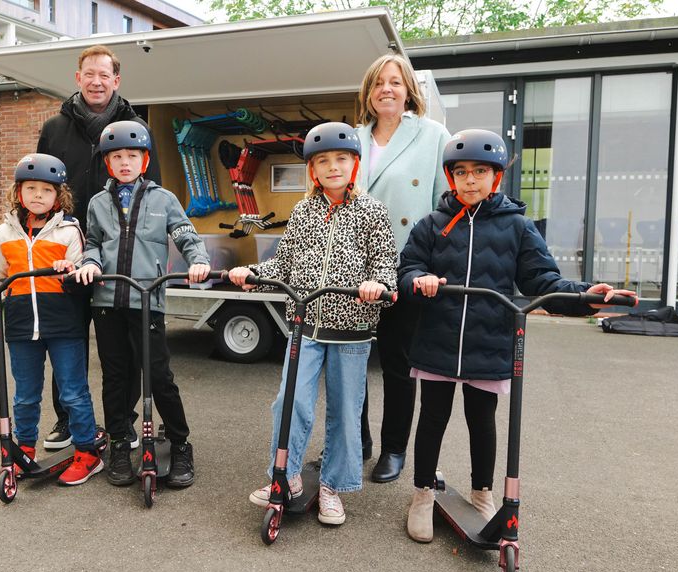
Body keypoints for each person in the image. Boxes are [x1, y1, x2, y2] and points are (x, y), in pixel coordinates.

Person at [398, 129, 636, 542]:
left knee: (481, 420)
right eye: (460, 172)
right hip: (437, 338)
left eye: (479, 171)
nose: (470, 180)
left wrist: (587, 297)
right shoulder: (432, 224)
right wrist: (419, 279)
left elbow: (543, 280)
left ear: (497, 176)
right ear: (450, 176)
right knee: (432, 418)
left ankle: (482, 493)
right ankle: (421, 494)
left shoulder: (518, 227)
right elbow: (408, 268)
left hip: (489, 340)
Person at [228, 122, 399, 525]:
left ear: (354, 165)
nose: (332, 167)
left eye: (340, 159)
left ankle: (332, 486)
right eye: (323, 161)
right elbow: (284, 263)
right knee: (290, 402)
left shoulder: (372, 211)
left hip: (351, 329)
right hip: (304, 325)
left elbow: (386, 265)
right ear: (313, 170)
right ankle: (285, 476)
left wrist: (379, 285)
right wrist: (251, 271)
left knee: (344, 410)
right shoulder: (304, 211)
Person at [0, 154, 104, 486]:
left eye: (46, 190)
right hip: (22, 324)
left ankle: (87, 453)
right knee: (25, 394)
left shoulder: (69, 230)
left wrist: (69, 271)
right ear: (18, 192)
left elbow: (83, 271)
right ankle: (23, 449)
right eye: (30, 188)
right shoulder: (5, 232)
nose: (38, 195)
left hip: (64, 324)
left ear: (59, 195)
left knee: (72, 392)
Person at [37, 44, 161, 450]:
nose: (96, 81)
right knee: (67, 338)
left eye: (104, 75)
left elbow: (154, 191)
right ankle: (67, 420)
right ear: (78, 78)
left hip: (122, 257)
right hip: (72, 253)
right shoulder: (55, 127)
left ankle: (120, 424)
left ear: (116, 80)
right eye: (89, 74)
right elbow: (44, 188)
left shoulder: (136, 125)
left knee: (122, 352)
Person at [74, 120, 210, 488]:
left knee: (159, 376)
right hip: (106, 302)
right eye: (116, 156)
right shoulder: (98, 204)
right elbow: (92, 244)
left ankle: (180, 443)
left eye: (131, 156)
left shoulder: (163, 200)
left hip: (147, 302)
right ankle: (120, 444)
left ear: (144, 160)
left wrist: (198, 260)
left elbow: (185, 235)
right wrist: (90, 263)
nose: (123, 162)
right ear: (107, 162)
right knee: (115, 378)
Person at [354, 53, 452, 483]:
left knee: (397, 365)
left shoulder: (432, 136)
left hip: (404, 265)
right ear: (368, 92)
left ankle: (394, 448)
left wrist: (432, 266)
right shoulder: (350, 138)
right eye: (378, 83)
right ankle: (354, 441)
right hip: (351, 269)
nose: (386, 90)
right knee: (349, 362)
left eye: (395, 82)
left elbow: (443, 208)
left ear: (409, 89)